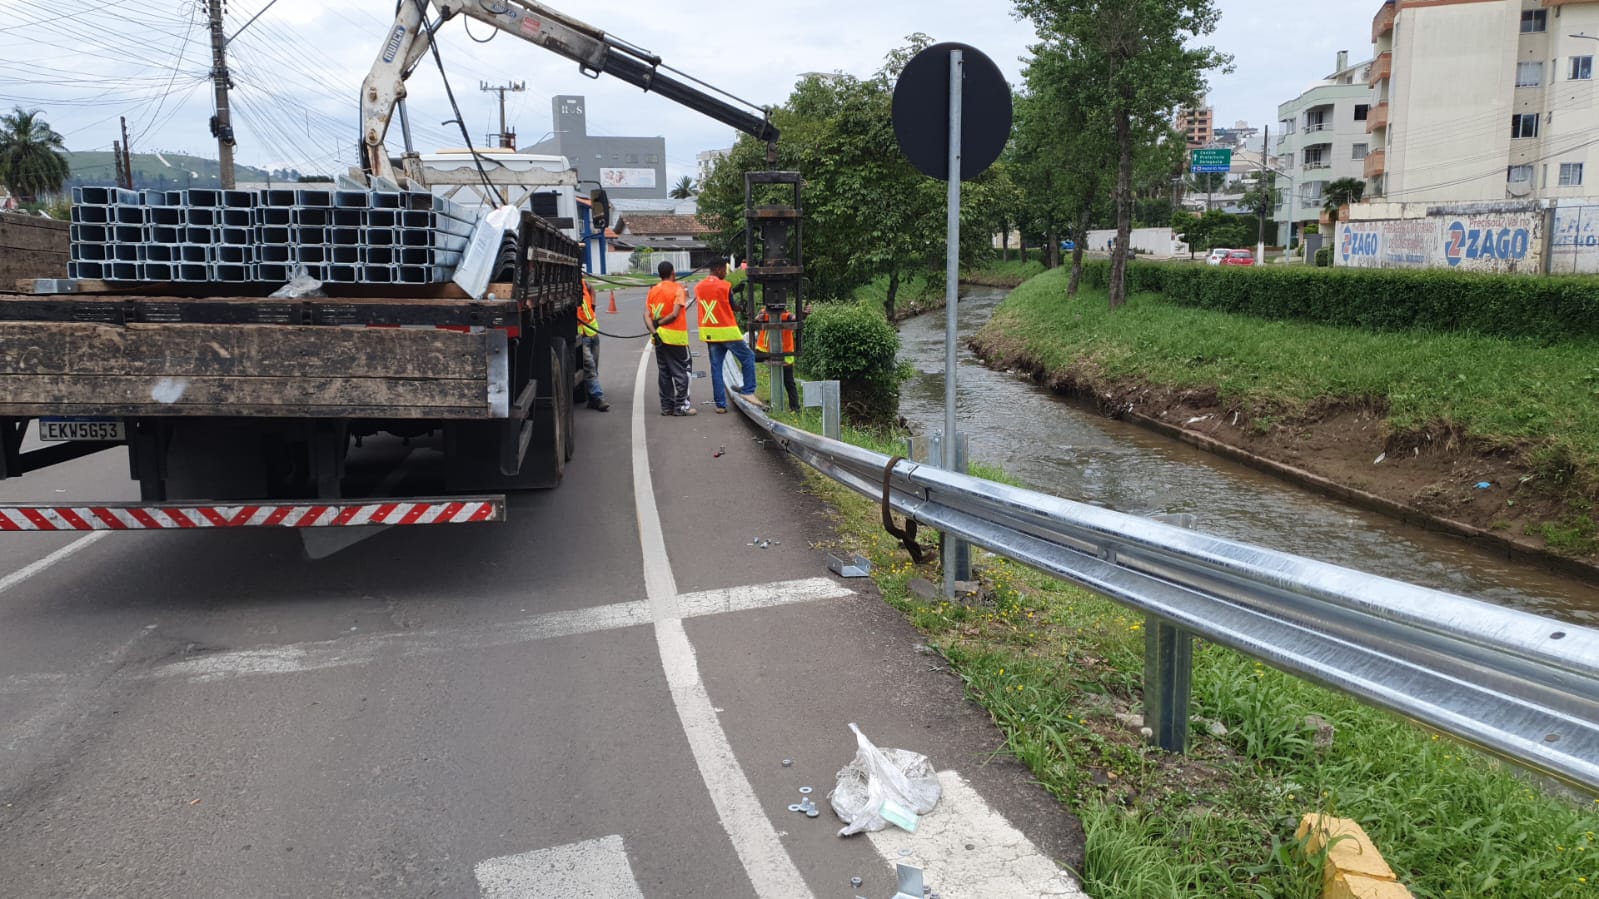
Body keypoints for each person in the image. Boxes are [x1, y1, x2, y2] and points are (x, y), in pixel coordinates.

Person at [694, 259, 759, 413]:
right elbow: (732, 306)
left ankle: (720, 405)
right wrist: (741, 307)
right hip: (727, 331)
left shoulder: (699, 287)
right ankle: (748, 390)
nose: (725, 273)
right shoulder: (725, 286)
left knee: (716, 367)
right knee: (748, 356)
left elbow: (717, 303)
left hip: (710, 333)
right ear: (718, 269)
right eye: (724, 270)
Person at [644, 260, 695, 416]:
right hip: (676, 338)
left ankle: (667, 407)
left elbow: (646, 315)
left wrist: (654, 331)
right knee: (682, 371)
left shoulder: (652, 291)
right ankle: (682, 406)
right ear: (673, 273)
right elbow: (674, 314)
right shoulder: (677, 289)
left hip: (659, 339)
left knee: (664, 373)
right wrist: (659, 322)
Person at [753, 305, 801, 410]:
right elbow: (756, 321)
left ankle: (795, 407)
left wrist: (804, 315)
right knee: (789, 383)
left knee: (789, 382)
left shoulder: (785, 315)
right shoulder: (764, 313)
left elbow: (794, 318)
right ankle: (795, 408)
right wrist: (757, 319)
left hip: (783, 354)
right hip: (765, 351)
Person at [576, 279, 609, 411]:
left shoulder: (583, 283)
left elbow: (592, 289)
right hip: (581, 335)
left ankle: (591, 399)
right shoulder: (565, 289)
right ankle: (598, 398)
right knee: (590, 367)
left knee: (594, 368)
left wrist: (593, 306)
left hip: (593, 332)